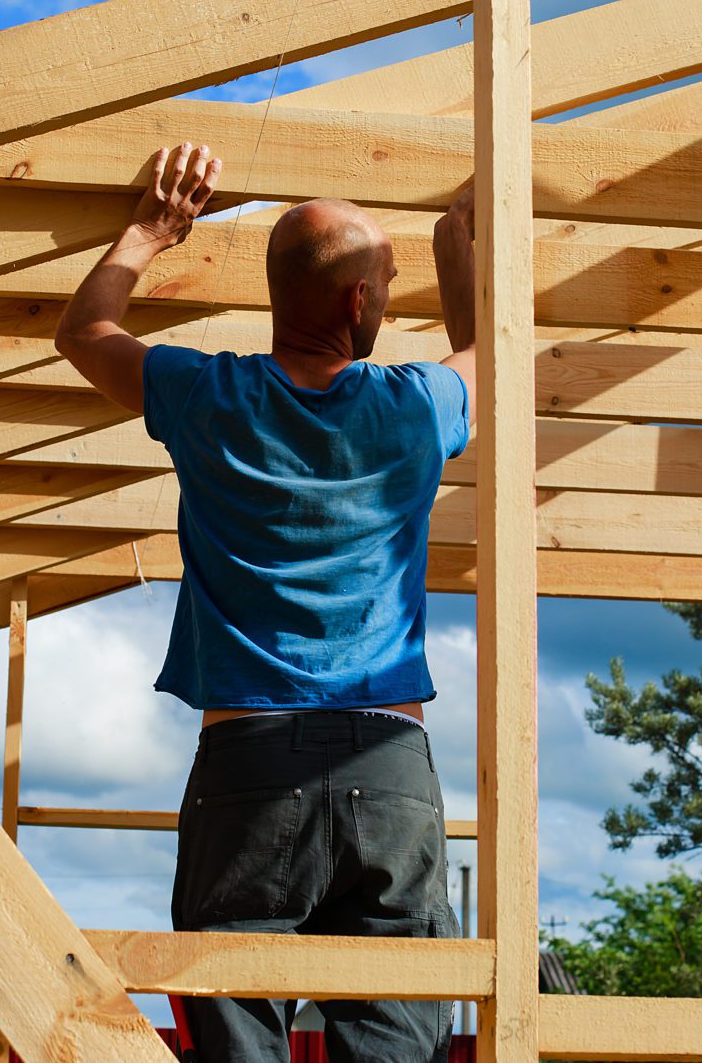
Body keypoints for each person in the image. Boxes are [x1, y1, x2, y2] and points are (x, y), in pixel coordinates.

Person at [55, 142, 477, 1063]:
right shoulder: (412, 408)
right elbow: (484, 353)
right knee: (399, 1040)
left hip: (246, 763)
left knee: (239, 1038)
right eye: (389, 281)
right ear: (358, 302)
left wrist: (149, 232)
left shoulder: (210, 395)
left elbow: (84, 332)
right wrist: (457, 242)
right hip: (388, 759)